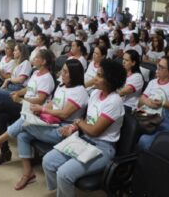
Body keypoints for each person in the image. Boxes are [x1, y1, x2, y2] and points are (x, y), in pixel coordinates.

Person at [0, 59, 89, 191]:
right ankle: (28, 173)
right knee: (22, 135)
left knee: (25, 123)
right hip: (52, 123)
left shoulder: (79, 91)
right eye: (62, 70)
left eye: (65, 72)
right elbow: (52, 103)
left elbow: (65, 114)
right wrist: (39, 111)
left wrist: (42, 110)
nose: (61, 73)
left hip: (65, 131)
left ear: (74, 75)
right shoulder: (63, 86)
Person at [42, 59, 126, 197]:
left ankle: (63, 190)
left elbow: (94, 130)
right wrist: (73, 127)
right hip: (85, 139)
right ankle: (62, 191)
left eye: (99, 76)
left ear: (110, 80)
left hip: (103, 148)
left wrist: (79, 123)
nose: (95, 78)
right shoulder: (95, 93)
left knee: (64, 173)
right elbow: (89, 120)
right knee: (48, 161)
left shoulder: (114, 101)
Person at [138, 56, 169, 149]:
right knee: (129, 129)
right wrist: (147, 101)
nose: (157, 69)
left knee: (144, 141)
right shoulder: (152, 82)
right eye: (158, 66)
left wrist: (163, 103)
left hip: (165, 120)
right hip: (148, 115)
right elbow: (140, 100)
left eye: (161, 68)